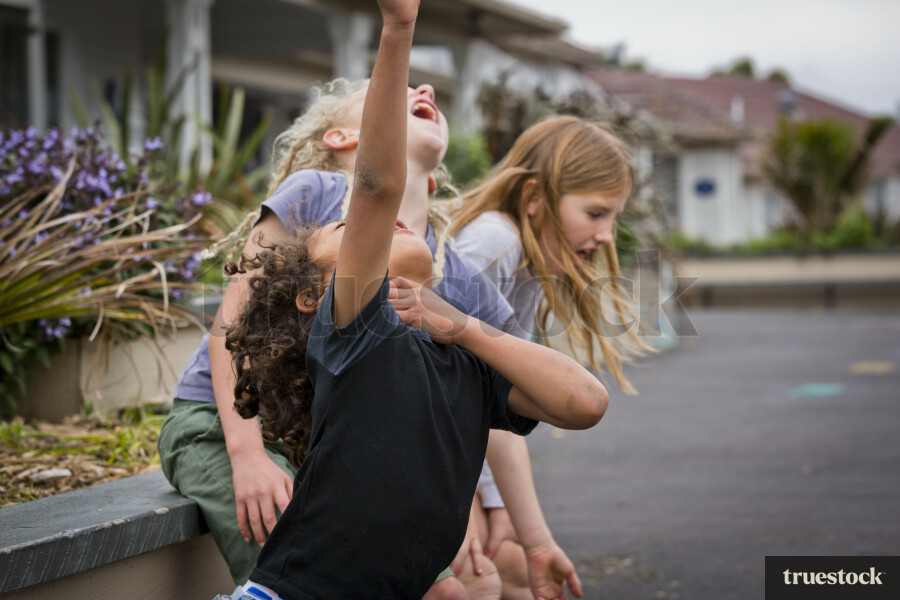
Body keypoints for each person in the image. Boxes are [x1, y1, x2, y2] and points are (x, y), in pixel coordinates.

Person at [159, 13, 578, 600]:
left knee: (453, 590)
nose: (423, 90)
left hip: (335, 441)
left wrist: (525, 536)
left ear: (434, 184)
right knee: (285, 542)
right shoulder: (316, 195)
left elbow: (500, 402)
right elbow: (235, 328)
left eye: (423, 90)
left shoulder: (449, 267)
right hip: (226, 422)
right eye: (398, 92)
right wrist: (247, 456)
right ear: (341, 139)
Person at [448, 116, 651, 596]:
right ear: (536, 198)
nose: (606, 236)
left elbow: (490, 405)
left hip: (449, 444)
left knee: (521, 566)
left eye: (613, 219)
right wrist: (462, 508)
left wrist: (518, 523)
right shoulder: (494, 242)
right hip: (406, 444)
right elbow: (429, 389)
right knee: (476, 573)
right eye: (596, 213)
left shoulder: (529, 266)